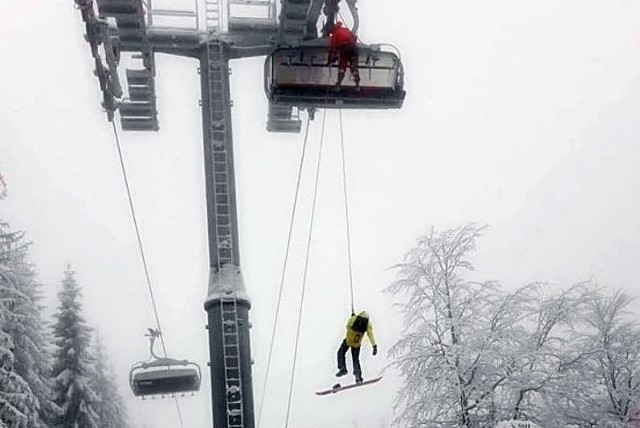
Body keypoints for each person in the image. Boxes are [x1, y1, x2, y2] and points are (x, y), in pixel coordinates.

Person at [336, 310, 377, 384]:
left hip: (348, 340)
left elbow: (347, 327)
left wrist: (352, 317)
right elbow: (370, 335)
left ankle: (343, 369)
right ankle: (358, 377)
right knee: (355, 359)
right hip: (357, 343)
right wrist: (374, 345)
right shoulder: (368, 324)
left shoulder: (354, 318)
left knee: (340, 353)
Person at [327, 22, 361, 89]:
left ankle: (338, 85)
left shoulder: (335, 33)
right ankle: (357, 85)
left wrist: (330, 59)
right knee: (354, 67)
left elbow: (333, 47)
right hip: (354, 48)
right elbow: (354, 37)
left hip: (345, 49)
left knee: (342, 67)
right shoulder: (346, 29)